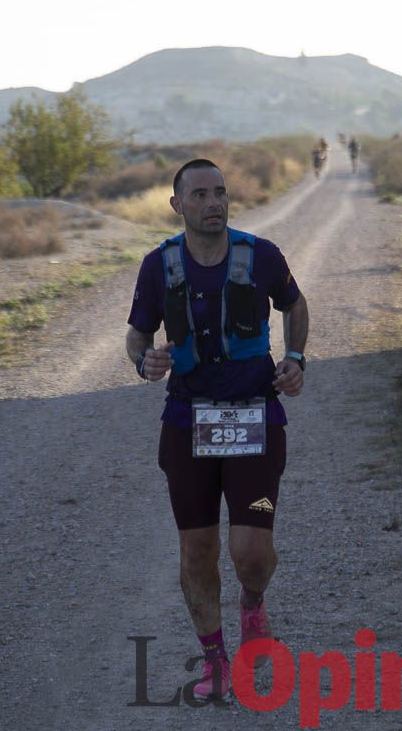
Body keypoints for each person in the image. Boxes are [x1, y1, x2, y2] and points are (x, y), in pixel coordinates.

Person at [126, 159, 309, 701]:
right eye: (200, 195)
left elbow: (295, 304)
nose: (213, 203)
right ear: (177, 205)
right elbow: (137, 336)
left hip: (255, 417)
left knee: (251, 550)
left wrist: (296, 357)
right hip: (187, 421)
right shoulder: (159, 265)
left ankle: (253, 603)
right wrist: (144, 362)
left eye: (220, 193)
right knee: (197, 552)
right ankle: (215, 661)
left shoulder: (261, 255)